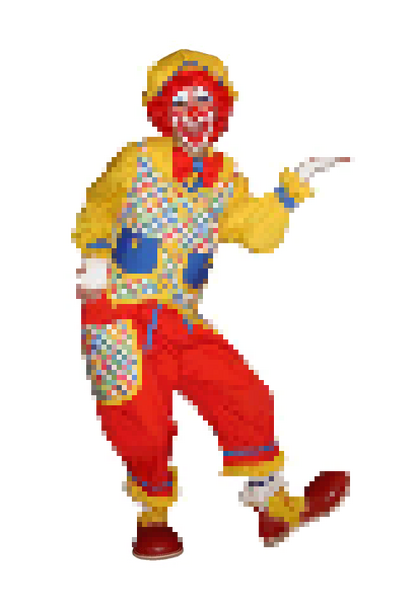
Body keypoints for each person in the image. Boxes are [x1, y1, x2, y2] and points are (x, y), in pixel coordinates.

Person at [71, 48, 353, 560]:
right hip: (119, 313)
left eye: (203, 99)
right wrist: (92, 256)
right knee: (140, 419)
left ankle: (272, 506)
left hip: (179, 317)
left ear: (221, 109)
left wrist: (297, 185)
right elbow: (99, 208)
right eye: (180, 102)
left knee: (242, 392)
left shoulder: (225, 178)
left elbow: (259, 235)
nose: (193, 112)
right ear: (163, 112)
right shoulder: (137, 161)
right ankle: (152, 517)